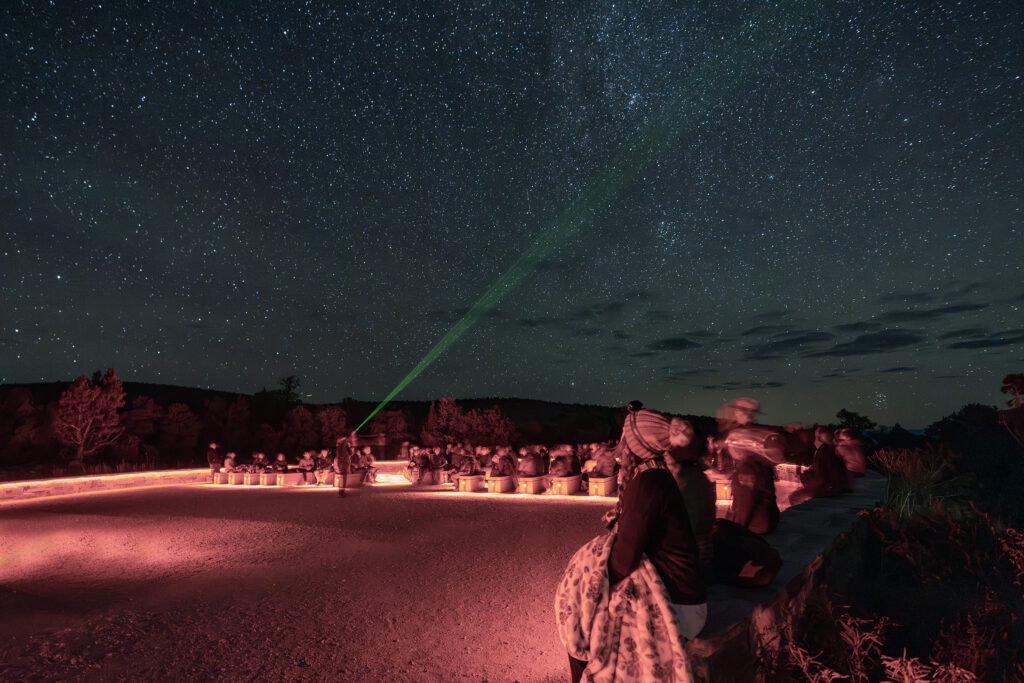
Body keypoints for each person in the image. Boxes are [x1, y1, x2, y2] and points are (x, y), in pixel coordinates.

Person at [560, 403, 706, 681]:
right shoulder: (655, 473)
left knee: (582, 614)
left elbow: (623, 560)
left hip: (680, 605)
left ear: (635, 444)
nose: (619, 444)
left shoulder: (648, 482)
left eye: (624, 438)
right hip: (681, 590)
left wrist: (594, 582)